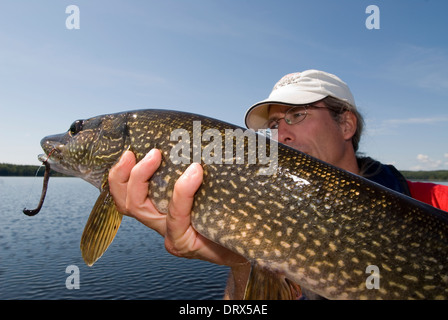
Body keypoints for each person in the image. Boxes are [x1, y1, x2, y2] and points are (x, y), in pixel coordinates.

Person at [108, 69, 448, 299]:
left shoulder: (437, 200)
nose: (281, 133)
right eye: (274, 123)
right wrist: (240, 257)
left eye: (298, 115)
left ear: (345, 124)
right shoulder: (264, 217)